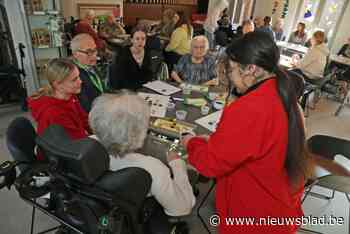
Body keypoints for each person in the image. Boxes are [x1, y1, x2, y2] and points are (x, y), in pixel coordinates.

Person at [180, 31, 311, 234]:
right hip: (279, 206)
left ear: (251, 69)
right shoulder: (284, 93)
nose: (230, 77)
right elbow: (255, 145)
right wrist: (216, 142)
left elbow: (209, 164)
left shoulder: (249, 108)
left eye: (231, 70)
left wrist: (191, 142)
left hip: (253, 215)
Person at [89, 92, 196, 217]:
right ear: (136, 133)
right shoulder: (153, 168)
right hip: (135, 211)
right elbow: (182, 208)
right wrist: (178, 165)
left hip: (98, 207)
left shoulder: (89, 143)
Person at [28, 58, 89, 140]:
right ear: (57, 85)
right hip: (65, 150)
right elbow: (77, 142)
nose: (80, 81)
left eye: (78, 77)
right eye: (74, 80)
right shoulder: (55, 112)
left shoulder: (69, 95)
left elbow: (84, 119)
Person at [110, 26, 154, 91]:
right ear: (132, 40)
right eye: (137, 39)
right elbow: (120, 78)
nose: (140, 42)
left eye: (143, 39)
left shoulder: (147, 52)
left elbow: (149, 74)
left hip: (143, 88)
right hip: (126, 90)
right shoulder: (123, 53)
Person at [71, 33, 105, 112]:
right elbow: (85, 107)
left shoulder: (91, 66)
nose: (94, 55)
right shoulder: (74, 76)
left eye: (95, 50)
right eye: (88, 52)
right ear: (75, 54)